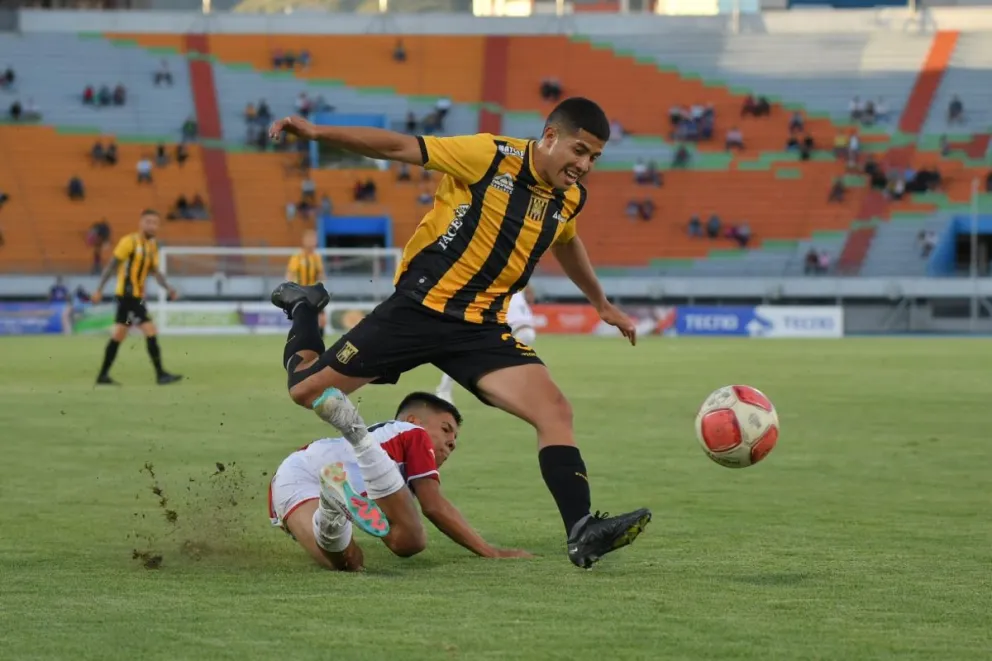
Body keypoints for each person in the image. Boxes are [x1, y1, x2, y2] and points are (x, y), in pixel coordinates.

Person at [267, 97, 651, 570]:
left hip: (480, 329)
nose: (585, 165)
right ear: (550, 137)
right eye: (579, 151)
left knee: (555, 410)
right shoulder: (489, 155)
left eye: (594, 157)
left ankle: (582, 530)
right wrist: (318, 133)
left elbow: (567, 241)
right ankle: (305, 307)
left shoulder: (569, 198)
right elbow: (398, 146)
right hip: (418, 310)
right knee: (306, 391)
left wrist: (601, 303)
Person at [269, 392, 530, 571]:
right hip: (335, 469)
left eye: (454, 441)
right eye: (445, 429)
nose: (451, 442)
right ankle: (354, 429)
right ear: (413, 420)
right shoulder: (413, 433)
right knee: (410, 540)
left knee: (349, 562)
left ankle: (330, 506)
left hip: (292, 475)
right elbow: (433, 505)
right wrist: (490, 551)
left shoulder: (395, 450)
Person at [91, 209, 182, 385]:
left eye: (155, 223)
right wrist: (99, 289)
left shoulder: (152, 246)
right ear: (141, 223)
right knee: (150, 330)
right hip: (128, 295)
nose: (152, 226)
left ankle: (102, 376)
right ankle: (161, 375)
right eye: (148, 222)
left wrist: (169, 289)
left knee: (119, 335)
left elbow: (155, 272)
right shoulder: (129, 241)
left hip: (135, 296)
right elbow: (111, 266)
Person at [436, 285, 536, 404]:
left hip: (511, 316)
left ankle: (505, 387)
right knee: (468, 355)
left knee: (517, 349)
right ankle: (444, 389)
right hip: (492, 315)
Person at [285, 229, 327, 336]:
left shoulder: (316, 257)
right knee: (303, 323)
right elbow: (290, 274)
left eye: (314, 239)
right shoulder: (297, 256)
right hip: (301, 294)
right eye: (310, 239)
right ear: (304, 241)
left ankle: (318, 343)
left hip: (314, 295)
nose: (312, 242)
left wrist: (321, 285)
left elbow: (321, 275)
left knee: (322, 320)